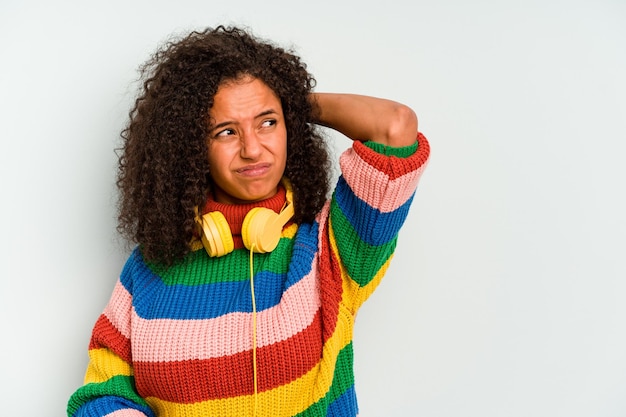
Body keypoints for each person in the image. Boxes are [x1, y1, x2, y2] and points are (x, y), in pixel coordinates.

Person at [67, 25, 430, 417]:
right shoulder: (150, 268)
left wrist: (288, 98)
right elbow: (103, 394)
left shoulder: (332, 246)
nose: (253, 149)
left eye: (268, 122)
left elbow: (394, 126)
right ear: (191, 146)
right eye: (226, 131)